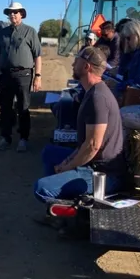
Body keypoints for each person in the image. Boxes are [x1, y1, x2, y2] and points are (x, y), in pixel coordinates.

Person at [34, 47, 128, 205]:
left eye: (77, 61)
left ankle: (68, 211)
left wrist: (68, 166)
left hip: (103, 174)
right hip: (92, 163)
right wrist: (68, 161)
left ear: (87, 67)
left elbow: (92, 146)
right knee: (49, 152)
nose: (73, 64)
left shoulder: (98, 98)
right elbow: (86, 145)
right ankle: (59, 196)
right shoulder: (91, 92)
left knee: (41, 187)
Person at [0, 2, 42, 152]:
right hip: (6, 75)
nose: (12, 15)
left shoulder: (30, 31)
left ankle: (23, 139)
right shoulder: (2, 33)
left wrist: (38, 76)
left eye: (15, 12)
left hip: (24, 74)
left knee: (23, 107)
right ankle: (5, 138)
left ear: (21, 14)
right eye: (10, 12)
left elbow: (37, 56)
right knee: (5, 108)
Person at [115, 20, 140, 103]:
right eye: (124, 38)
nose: (126, 42)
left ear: (138, 35)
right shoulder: (133, 53)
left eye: (128, 38)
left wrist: (118, 85)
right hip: (132, 94)